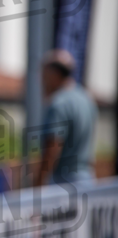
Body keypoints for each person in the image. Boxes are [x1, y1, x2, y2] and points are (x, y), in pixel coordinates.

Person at [33, 49, 98, 187]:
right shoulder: (87, 99)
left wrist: (37, 186)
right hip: (87, 180)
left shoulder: (58, 103)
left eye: (44, 76)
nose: (43, 83)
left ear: (54, 74)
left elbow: (53, 147)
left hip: (63, 185)